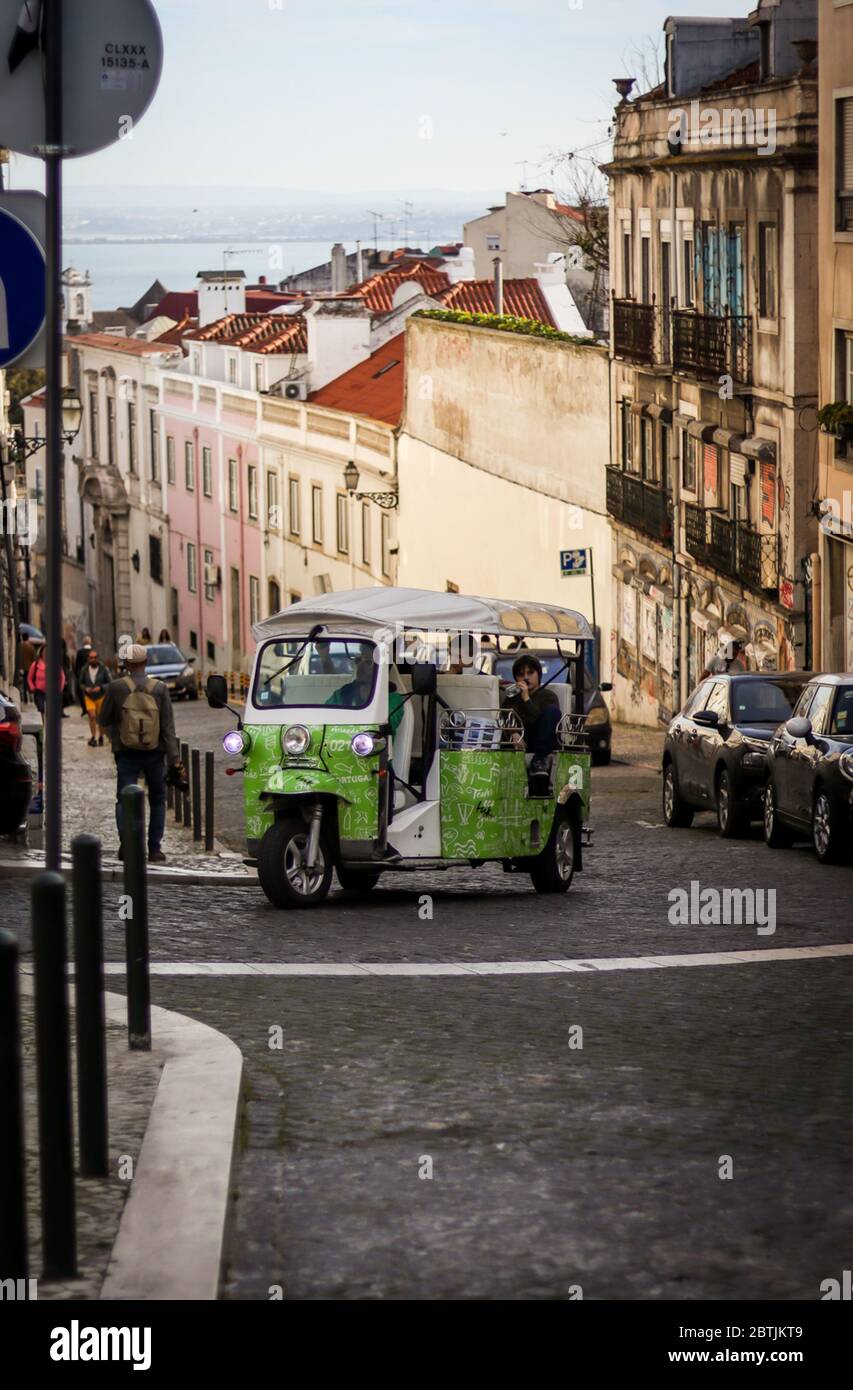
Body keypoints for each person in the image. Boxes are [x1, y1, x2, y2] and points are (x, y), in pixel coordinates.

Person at [98, 643, 180, 864]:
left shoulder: (116, 688)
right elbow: (167, 727)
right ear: (145, 663)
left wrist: (117, 730)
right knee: (157, 800)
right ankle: (154, 850)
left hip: (125, 753)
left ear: (126, 665)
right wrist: (174, 759)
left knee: (124, 801)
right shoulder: (160, 689)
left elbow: (103, 719)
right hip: (155, 754)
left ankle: (128, 845)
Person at [501, 654, 561, 781]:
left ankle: (538, 760)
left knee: (552, 711)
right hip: (520, 741)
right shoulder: (511, 697)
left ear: (538, 674)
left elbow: (540, 720)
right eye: (521, 674)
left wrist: (526, 698)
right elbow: (504, 718)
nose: (526, 677)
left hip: (541, 740)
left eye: (530, 673)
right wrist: (512, 733)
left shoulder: (548, 696)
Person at [79, 648, 110, 746]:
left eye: (95, 657)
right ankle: (93, 737)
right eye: (91, 658)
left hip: (101, 696)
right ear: (88, 659)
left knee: (101, 718)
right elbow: (80, 683)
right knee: (92, 716)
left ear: (98, 658)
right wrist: (86, 689)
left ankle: (101, 736)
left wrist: (100, 687)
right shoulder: (84, 669)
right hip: (89, 697)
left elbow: (110, 682)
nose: (93, 659)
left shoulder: (103, 668)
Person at [27, 643, 66, 717]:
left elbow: (62, 677)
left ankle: (49, 726)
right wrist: (33, 688)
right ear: (41, 652)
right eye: (45, 651)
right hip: (39, 692)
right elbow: (29, 678)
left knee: (50, 711)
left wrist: (60, 689)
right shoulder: (35, 664)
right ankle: (43, 725)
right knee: (41, 709)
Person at [74, 634, 94, 716]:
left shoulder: (80, 652)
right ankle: (90, 709)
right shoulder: (93, 651)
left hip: (82, 676)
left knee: (81, 692)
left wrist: (77, 676)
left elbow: (77, 666)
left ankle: (85, 709)